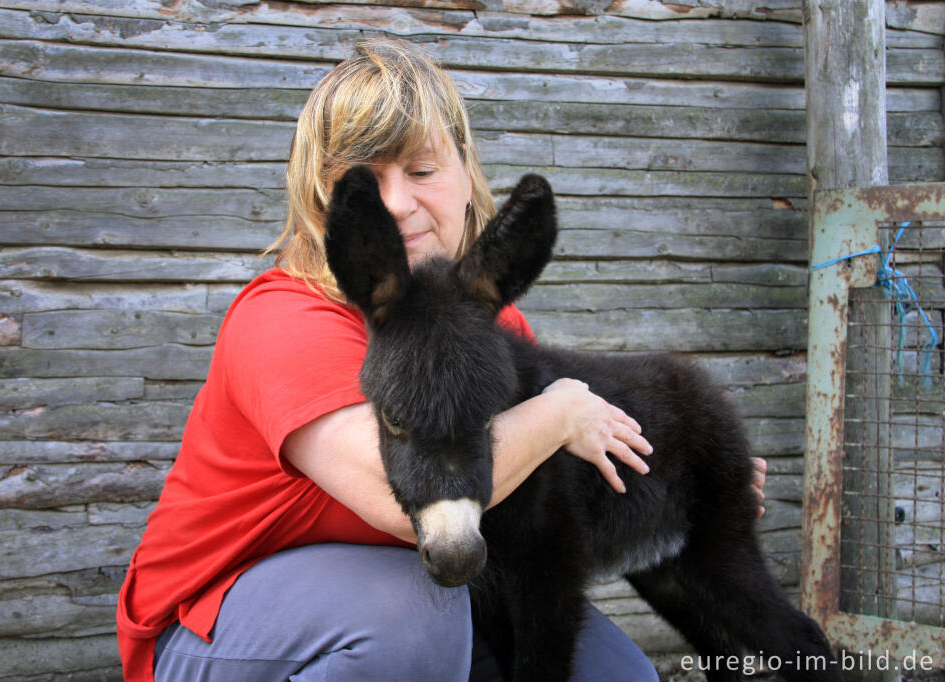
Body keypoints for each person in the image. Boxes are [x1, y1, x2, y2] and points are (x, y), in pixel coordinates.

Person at [116, 38, 767, 682]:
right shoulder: (286, 321)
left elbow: (542, 501)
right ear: (324, 198)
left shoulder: (491, 324)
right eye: (367, 182)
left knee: (616, 676)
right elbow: (393, 496)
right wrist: (558, 415)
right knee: (411, 622)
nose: (398, 203)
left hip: (448, 588)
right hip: (216, 625)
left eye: (422, 171)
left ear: (465, 173)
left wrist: (698, 480)